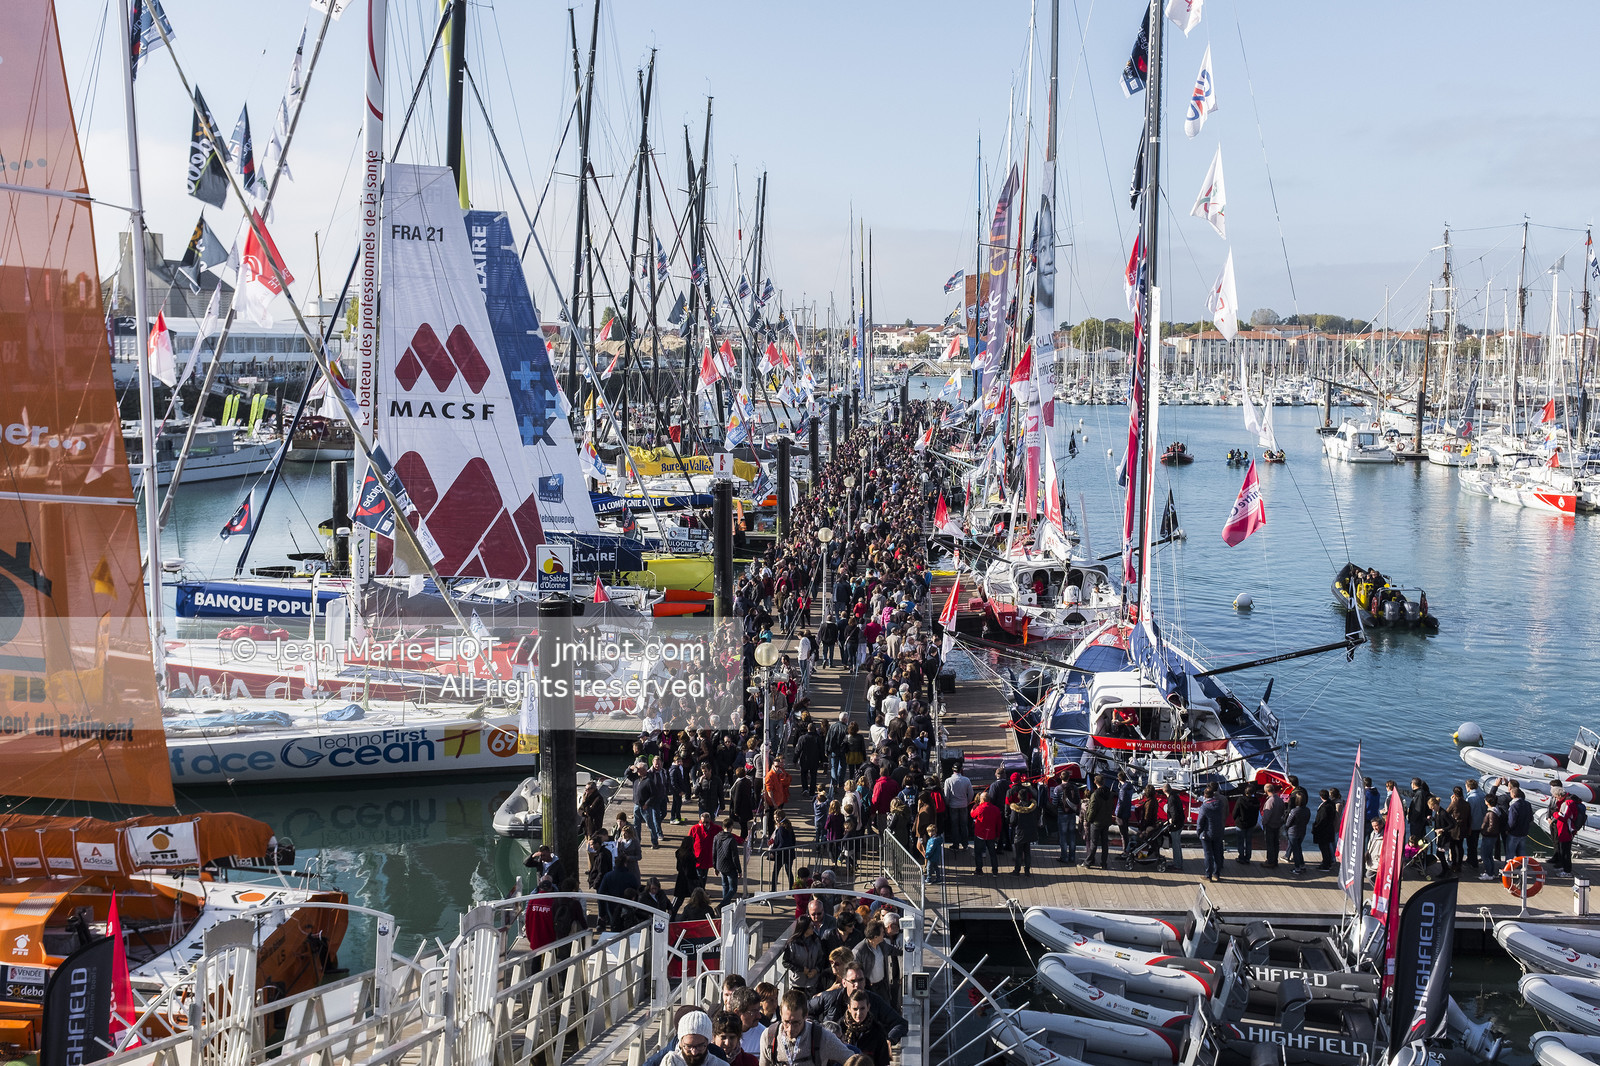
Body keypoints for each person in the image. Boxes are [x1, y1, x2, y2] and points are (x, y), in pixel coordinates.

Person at [806, 965, 906, 1044]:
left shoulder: (875, 1000)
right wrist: (821, 1029)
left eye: (860, 980)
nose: (857, 985)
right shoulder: (829, 997)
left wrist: (889, 1040)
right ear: (844, 983)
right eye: (853, 981)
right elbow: (804, 1012)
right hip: (832, 1048)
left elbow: (901, 1023)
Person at [762, 989, 853, 1066]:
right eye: (786, 1022)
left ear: (806, 1016)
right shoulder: (769, 1036)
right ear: (781, 1014)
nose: (790, 1029)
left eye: (796, 1023)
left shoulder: (822, 1037)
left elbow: (853, 1060)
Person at [833, 992, 891, 1066]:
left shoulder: (877, 1031)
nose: (859, 1013)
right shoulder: (840, 1028)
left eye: (862, 1008)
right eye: (855, 1009)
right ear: (849, 1008)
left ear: (868, 1007)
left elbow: (883, 1061)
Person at [785, 917, 826, 996]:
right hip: (797, 982)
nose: (813, 929)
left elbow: (822, 958)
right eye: (811, 927)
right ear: (804, 929)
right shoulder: (792, 943)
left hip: (813, 982)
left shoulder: (816, 940)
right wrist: (801, 970)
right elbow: (786, 962)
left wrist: (816, 970)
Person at [1008, 780, 1040, 876]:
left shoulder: (1016, 808)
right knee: (1027, 852)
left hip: (1019, 832)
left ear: (1019, 797)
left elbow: (1012, 821)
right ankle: (1027, 871)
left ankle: (1017, 870)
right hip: (1030, 832)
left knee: (1018, 854)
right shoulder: (1032, 807)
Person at [714, 817, 744, 912]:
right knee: (733, 888)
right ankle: (722, 905)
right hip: (730, 866)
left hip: (720, 865)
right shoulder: (731, 839)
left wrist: (715, 866)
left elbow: (713, 852)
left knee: (725, 886)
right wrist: (739, 870)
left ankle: (724, 908)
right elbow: (735, 857)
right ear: (731, 827)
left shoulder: (716, 837)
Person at [1083, 774, 1113, 868]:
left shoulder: (1095, 795)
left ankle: (1088, 862)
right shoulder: (1110, 793)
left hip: (1096, 822)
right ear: (1103, 782)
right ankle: (1104, 863)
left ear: (1095, 782)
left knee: (1093, 843)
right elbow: (1111, 806)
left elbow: (1092, 809)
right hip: (1106, 821)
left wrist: (1089, 819)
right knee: (1105, 844)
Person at [1198, 785, 1226, 883]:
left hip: (1207, 833)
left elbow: (1200, 821)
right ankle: (1216, 874)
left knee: (1208, 854)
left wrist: (1199, 832)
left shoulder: (1204, 807)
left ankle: (1208, 875)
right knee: (1217, 853)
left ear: (1205, 796)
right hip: (1218, 831)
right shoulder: (1220, 804)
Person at [971, 791, 1002, 876]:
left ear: (982, 800)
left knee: (978, 853)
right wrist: (998, 835)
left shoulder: (980, 808)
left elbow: (973, 815)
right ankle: (995, 871)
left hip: (980, 834)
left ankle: (979, 870)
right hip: (991, 834)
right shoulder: (996, 809)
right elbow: (999, 824)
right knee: (992, 853)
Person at [1054, 776, 1080, 866]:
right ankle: (1072, 857)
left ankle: (1064, 857)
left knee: (1063, 836)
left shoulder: (1057, 788)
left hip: (1062, 813)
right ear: (1069, 778)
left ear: (1061, 777)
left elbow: (1054, 802)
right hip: (1072, 814)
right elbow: (1078, 800)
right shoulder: (1075, 787)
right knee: (1072, 836)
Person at [1259, 783, 1286, 870]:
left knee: (1270, 843)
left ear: (1266, 791)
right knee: (1276, 843)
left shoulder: (1270, 801)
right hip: (1277, 824)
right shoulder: (1279, 799)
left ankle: (1270, 861)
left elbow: (1267, 815)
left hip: (1270, 825)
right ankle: (1275, 860)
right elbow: (1283, 811)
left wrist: (1263, 823)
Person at [1312, 789, 1340, 871]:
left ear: (1321, 797)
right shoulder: (1331, 804)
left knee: (1324, 848)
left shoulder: (1324, 807)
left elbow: (1321, 820)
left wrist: (1315, 828)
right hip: (1329, 829)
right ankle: (1327, 862)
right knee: (1326, 847)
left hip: (1323, 832)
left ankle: (1326, 865)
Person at [1477, 795, 1504, 878]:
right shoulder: (1496, 811)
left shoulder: (1491, 813)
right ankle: (1491, 872)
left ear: (1488, 802)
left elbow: (1491, 826)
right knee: (1489, 855)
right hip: (1493, 836)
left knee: (1484, 855)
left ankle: (1489, 873)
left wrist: (1485, 832)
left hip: (1489, 836)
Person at [1235, 782, 1261, 865]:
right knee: (1248, 841)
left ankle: (1241, 857)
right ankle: (1248, 858)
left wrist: (1237, 819)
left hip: (1241, 823)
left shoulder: (1240, 800)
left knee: (1240, 841)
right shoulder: (1256, 801)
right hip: (1251, 824)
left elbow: (1235, 812)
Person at [1463, 779, 1487, 869]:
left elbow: (1469, 813)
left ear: (1468, 787)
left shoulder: (1470, 798)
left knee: (1471, 844)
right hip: (1481, 823)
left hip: (1472, 824)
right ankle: (1472, 859)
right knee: (1475, 843)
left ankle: (1472, 861)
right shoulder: (1482, 796)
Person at [1285, 790, 1310, 876]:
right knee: (1299, 848)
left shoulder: (1294, 811)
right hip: (1302, 831)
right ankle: (1302, 865)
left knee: (1295, 850)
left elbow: (1288, 823)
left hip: (1293, 832)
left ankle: (1297, 868)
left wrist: (1286, 827)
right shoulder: (1307, 810)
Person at [1505, 786, 1532, 861]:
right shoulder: (1527, 804)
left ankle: (1509, 869)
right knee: (1522, 851)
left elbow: (1512, 821)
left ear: (1513, 795)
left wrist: (1507, 829)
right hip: (1524, 831)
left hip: (1514, 833)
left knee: (1510, 852)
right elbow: (1530, 818)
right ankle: (1522, 868)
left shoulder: (1514, 806)